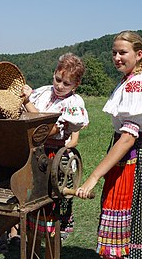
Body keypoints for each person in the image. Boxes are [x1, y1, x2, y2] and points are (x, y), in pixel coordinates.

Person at [76, 31, 142, 259]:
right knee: (135, 216)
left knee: (125, 210)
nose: (117, 57)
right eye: (114, 52)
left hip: (133, 155)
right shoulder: (129, 81)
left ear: (138, 54)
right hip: (134, 152)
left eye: (123, 52)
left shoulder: (138, 84)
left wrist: (93, 177)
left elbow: (128, 137)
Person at [21, 52, 89, 256]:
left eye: (66, 83)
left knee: (50, 211)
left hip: (53, 158)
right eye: (57, 79)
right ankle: (31, 250)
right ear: (54, 74)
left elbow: (45, 127)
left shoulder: (73, 104)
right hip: (34, 154)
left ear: (75, 86)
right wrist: (24, 95)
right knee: (31, 206)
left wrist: (26, 103)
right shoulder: (42, 93)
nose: (59, 86)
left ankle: (51, 253)